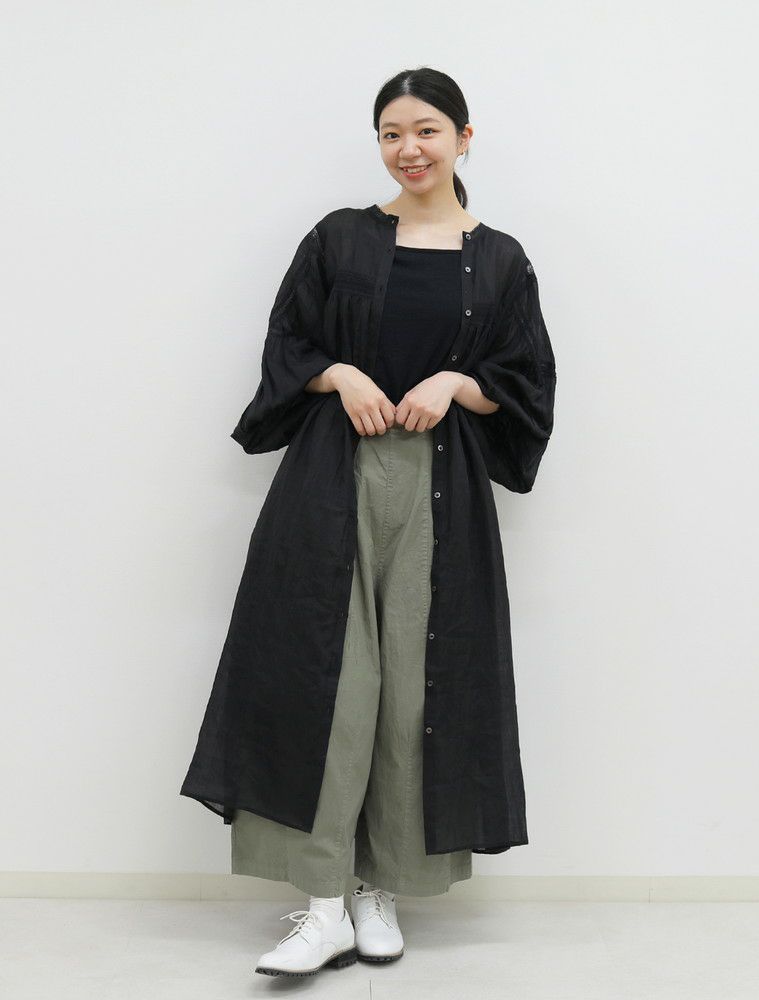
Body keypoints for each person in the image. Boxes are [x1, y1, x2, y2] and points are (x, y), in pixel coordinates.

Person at [179, 66, 557, 978]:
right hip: (330, 483)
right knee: (333, 686)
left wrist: (458, 382)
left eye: (427, 130)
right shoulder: (338, 238)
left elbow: (528, 381)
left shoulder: (501, 260)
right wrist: (339, 373)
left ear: (464, 138)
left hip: (440, 492)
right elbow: (287, 345)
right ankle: (322, 906)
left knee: (415, 696)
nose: (409, 149)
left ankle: (377, 889)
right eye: (392, 133)